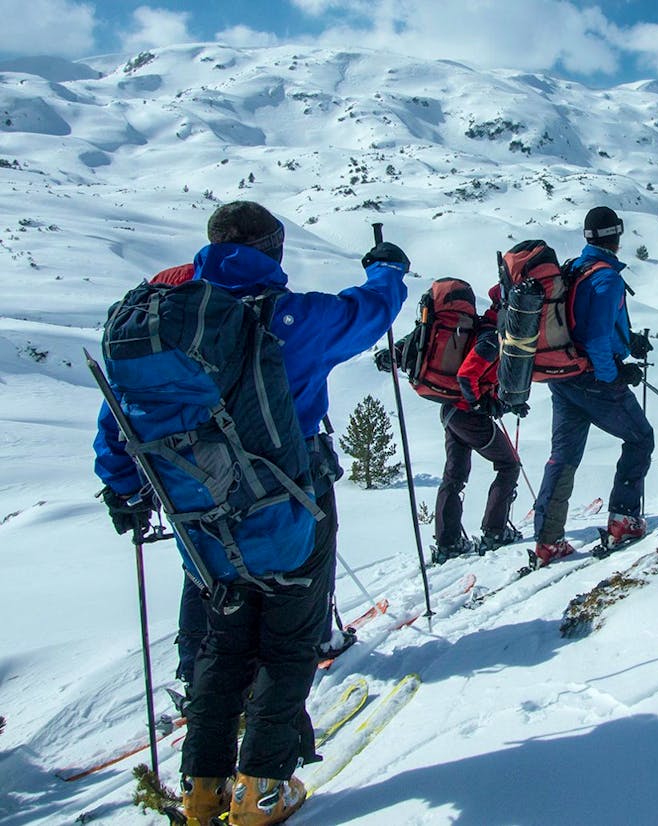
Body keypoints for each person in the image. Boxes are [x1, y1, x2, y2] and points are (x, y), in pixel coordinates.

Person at [93, 201, 408, 825]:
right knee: (288, 643)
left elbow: (119, 416)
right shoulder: (289, 317)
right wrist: (387, 270)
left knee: (223, 644)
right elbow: (369, 313)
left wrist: (122, 488)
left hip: (202, 522)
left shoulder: (175, 324)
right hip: (290, 502)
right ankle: (262, 788)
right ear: (274, 249)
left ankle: (203, 789)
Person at [531, 206, 654, 565]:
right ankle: (624, 519)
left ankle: (548, 540)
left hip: (564, 378)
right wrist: (614, 375)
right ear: (617, 235)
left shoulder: (575, 268)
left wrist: (629, 341)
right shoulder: (607, 278)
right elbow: (596, 336)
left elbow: (582, 321)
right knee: (640, 438)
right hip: (593, 379)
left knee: (563, 456)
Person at [376, 284, 523, 563]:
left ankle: (448, 542)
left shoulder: (475, 326)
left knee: (454, 477)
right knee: (509, 465)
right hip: (468, 414)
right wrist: (480, 403)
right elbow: (467, 375)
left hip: (450, 412)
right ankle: (494, 532)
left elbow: (424, 343)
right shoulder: (491, 337)